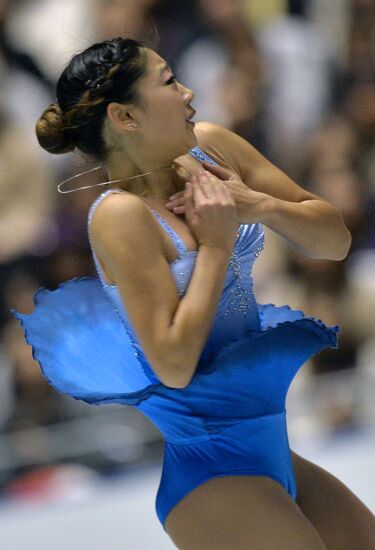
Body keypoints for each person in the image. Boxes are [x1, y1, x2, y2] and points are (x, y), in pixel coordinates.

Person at [13, 37, 375, 549]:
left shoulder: (213, 147)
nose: (187, 93)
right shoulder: (121, 215)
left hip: (271, 447)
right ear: (125, 116)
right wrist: (216, 247)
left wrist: (263, 207)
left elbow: (334, 241)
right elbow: (174, 363)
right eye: (167, 82)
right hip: (211, 473)